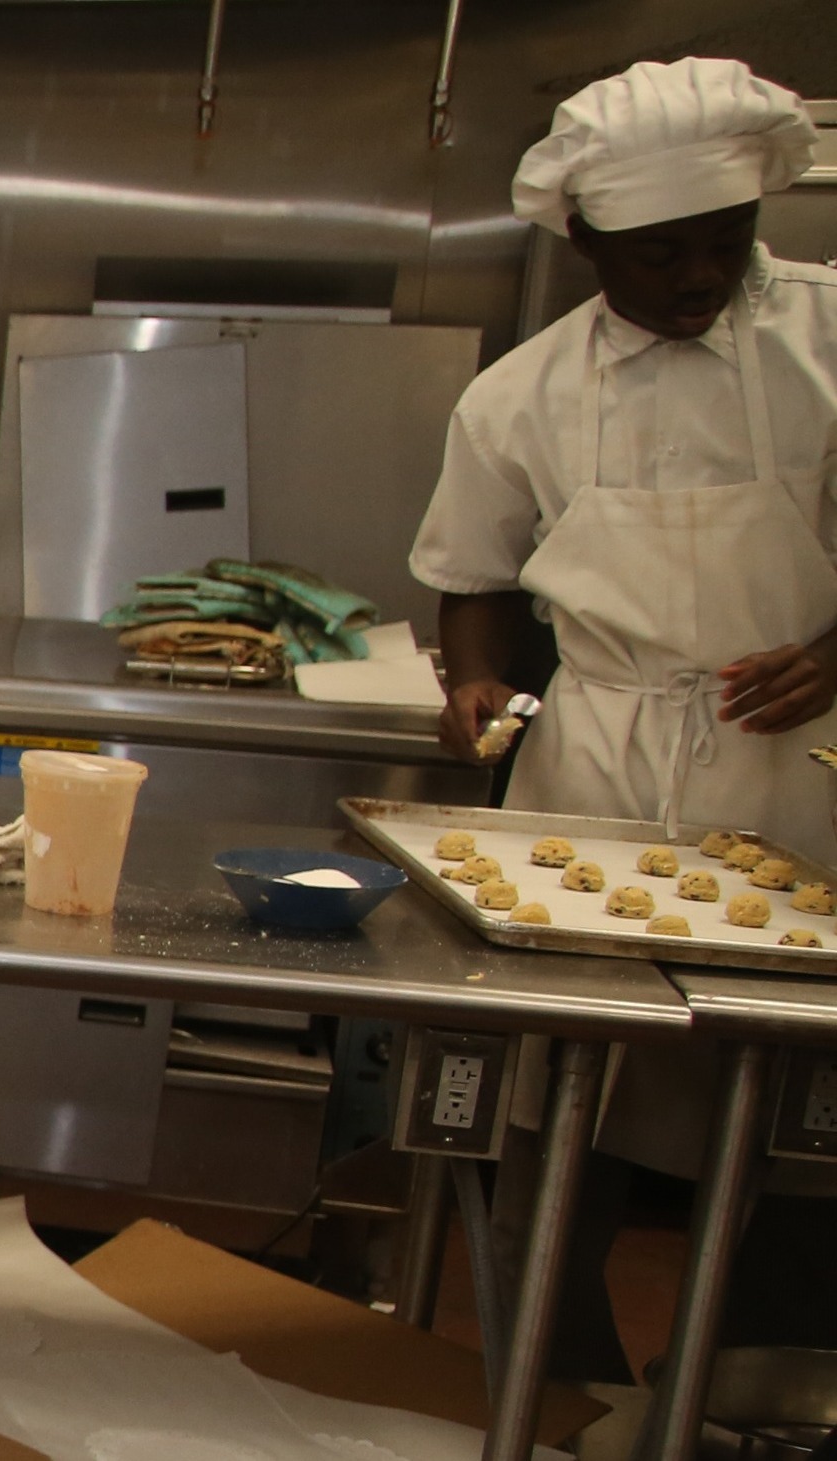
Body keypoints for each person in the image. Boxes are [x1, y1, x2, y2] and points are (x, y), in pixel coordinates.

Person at [410, 56, 837, 1381]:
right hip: (597, 767)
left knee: (809, 1110)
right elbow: (473, 579)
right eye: (657, 256)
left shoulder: (830, 339)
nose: (694, 278)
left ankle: (763, 1390)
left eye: (722, 246)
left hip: (804, 772)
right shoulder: (522, 395)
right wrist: (475, 685)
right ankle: (562, 1378)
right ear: (587, 239)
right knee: (561, 1098)